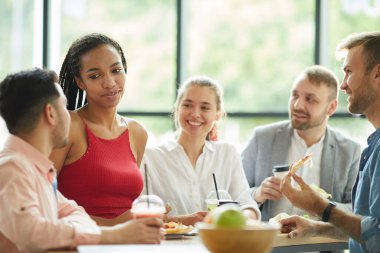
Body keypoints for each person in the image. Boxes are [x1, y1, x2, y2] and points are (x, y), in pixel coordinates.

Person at [0, 69, 162, 253]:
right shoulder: (11, 168)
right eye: (64, 105)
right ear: (51, 113)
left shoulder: (36, 169)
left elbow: (76, 213)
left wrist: (59, 229)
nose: (70, 114)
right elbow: (33, 233)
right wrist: (116, 234)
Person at [280, 32, 380, 253]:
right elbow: (368, 230)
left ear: (378, 74)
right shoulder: (373, 147)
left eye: (349, 72)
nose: (343, 85)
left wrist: (319, 206)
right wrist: (317, 228)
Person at [50, 33, 148, 226]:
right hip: (82, 243)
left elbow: (127, 210)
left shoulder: (137, 132)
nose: (110, 83)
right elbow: (42, 201)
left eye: (116, 70)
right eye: (95, 76)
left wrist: (181, 219)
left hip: (131, 242)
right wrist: (114, 226)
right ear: (80, 82)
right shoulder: (69, 126)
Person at [241, 65, 361, 221]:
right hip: (269, 242)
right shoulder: (262, 138)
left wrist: (321, 206)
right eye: (295, 95)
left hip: (321, 244)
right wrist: (257, 194)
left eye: (310, 99)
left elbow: (356, 208)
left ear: (331, 107)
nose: (297, 105)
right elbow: (235, 194)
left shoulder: (350, 151)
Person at [142, 76, 261, 225]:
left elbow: (248, 206)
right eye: (188, 105)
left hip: (219, 245)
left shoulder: (227, 153)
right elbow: (140, 214)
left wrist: (233, 219)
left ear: (218, 114)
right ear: (177, 108)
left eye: (205, 107)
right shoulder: (150, 157)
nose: (195, 113)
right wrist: (181, 220)